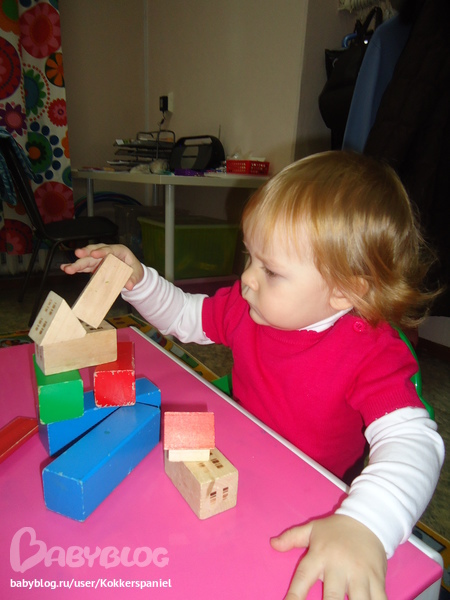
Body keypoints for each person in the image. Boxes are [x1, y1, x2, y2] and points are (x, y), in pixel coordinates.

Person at [62, 151, 445, 600]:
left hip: (306, 495)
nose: (246, 279)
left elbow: (413, 441)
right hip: (247, 459)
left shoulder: (370, 352)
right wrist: (139, 280)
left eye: (271, 270)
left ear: (345, 290)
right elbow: (186, 316)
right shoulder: (249, 308)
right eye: (250, 256)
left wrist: (368, 522)